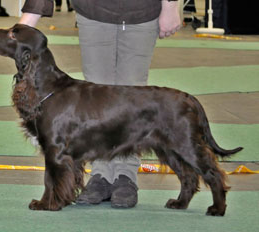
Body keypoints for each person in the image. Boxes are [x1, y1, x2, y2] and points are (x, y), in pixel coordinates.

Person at [19, 0, 181, 209]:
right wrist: (28, 21)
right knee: (95, 104)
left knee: (131, 100)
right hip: (93, 11)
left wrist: (170, 7)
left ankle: (125, 175)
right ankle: (101, 175)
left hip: (141, 12)